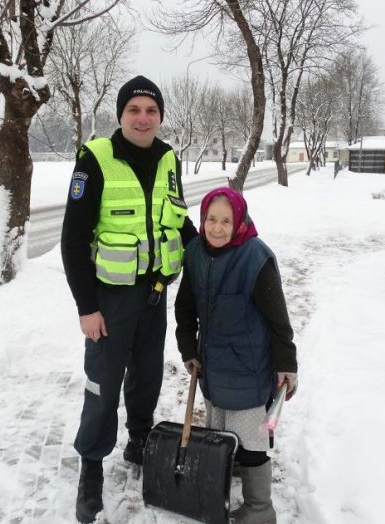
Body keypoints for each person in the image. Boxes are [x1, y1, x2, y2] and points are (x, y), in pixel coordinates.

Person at [61, 75, 197, 524]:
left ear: (160, 117)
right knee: (103, 385)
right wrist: (86, 307)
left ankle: (139, 438)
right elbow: (72, 239)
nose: (143, 118)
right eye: (134, 110)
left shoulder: (168, 159)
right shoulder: (96, 159)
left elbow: (177, 221)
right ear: (121, 115)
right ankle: (91, 468)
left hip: (154, 295)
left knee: (148, 375)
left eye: (151, 111)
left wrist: (218, 254)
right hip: (110, 300)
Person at [175, 187, 297, 524]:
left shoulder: (255, 257)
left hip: (249, 371)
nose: (217, 227)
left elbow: (278, 318)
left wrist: (287, 364)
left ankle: (260, 509)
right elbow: (185, 308)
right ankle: (227, 479)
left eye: (226, 220)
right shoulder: (196, 253)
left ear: (239, 221)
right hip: (213, 370)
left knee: (252, 440)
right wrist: (188, 348)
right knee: (222, 433)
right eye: (211, 219)